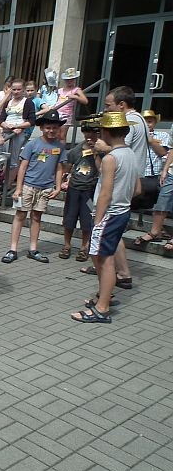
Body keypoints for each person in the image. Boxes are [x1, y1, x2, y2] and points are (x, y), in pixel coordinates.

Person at [71, 112, 141, 324]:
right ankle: (104, 296)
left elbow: (105, 193)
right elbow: (137, 189)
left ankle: (102, 308)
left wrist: (98, 220)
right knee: (102, 257)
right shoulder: (129, 154)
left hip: (109, 214)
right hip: (122, 211)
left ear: (107, 132)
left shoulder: (112, 158)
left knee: (105, 260)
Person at [83, 87, 148, 287]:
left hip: (116, 194)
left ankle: (111, 277)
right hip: (126, 189)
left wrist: (104, 149)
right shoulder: (139, 121)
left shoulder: (128, 124)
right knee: (112, 240)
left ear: (121, 105)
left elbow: (117, 148)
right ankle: (119, 273)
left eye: (108, 105)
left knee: (104, 256)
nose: (106, 109)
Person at [1, 111, 67, 264]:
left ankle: (33, 248)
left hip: (46, 188)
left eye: (54, 128)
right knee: (20, 215)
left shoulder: (59, 146)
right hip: (29, 186)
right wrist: (18, 188)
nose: (51, 131)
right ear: (42, 128)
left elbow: (59, 168)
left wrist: (57, 187)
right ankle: (13, 249)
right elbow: (22, 167)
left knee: (37, 217)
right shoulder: (33, 144)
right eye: (48, 127)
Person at [60, 122, 100, 261]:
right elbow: (68, 166)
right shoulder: (76, 150)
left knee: (87, 219)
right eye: (87, 134)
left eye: (93, 134)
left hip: (90, 190)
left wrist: (96, 153)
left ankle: (84, 247)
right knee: (69, 218)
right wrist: (64, 179)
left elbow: (101, 169)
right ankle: (67, 245)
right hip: (74, 188)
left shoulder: (101, 151)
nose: (90, 137)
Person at [133, 110, 172, 247]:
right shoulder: (134, 134)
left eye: (150, 121)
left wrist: (150, 141)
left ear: (155, 122)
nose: (147, 124)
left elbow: (163, 152)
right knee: (161, 200)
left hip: (154, 176)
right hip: (139, 175)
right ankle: (156, 230)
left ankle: (159, 230)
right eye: (144, 121)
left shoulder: (162, 135)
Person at [0, 78, 36, 187]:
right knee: (1, 157)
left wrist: (17, 126)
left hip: (18, 133)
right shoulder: (8, 102)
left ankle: (7, 186)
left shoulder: (28, 102)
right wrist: (7, 126)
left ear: (23, 89)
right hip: (6, 131)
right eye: (14, 89)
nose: (16, 92)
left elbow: (32, 121)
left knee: (13, 160)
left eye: (19, 89)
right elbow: (1, 119)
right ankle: (1, 182)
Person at [56, 68, 89, 144]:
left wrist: (76, 97)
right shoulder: (60, 90)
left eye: (71, 79)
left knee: (62, 135)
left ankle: (61, 150)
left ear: (75, 80)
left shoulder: (76, 90)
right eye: (67, 80)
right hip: (57, 112)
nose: (69, 81)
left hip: (66, 114)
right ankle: (54, 149)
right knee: (56, 134)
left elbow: (85, 101)